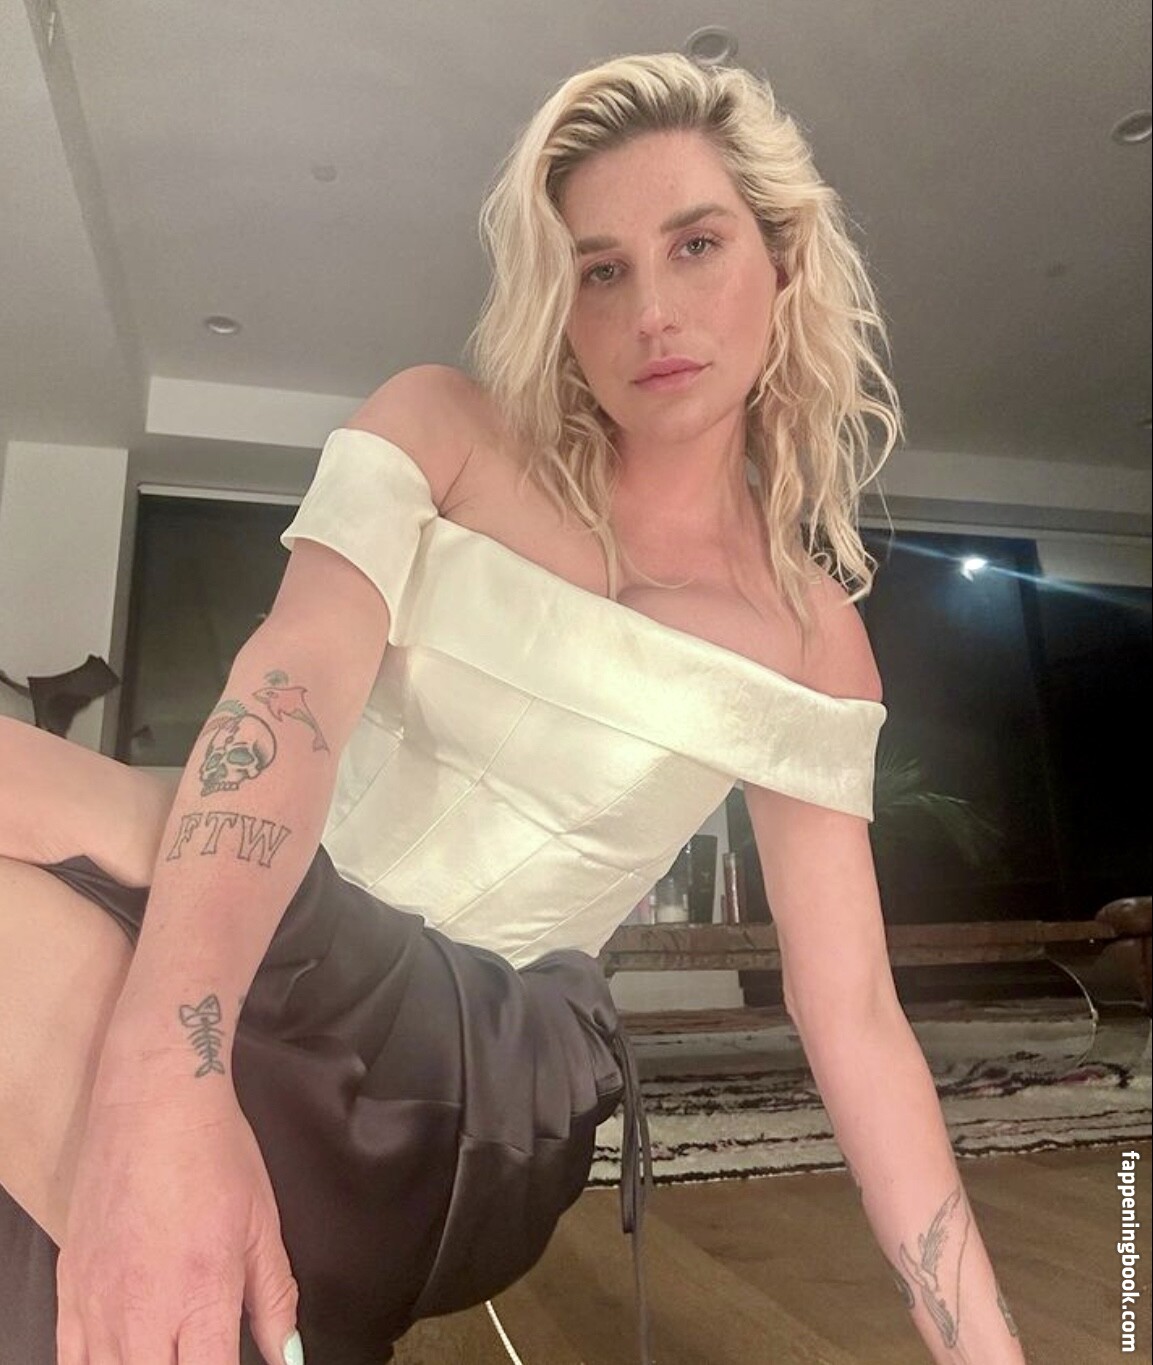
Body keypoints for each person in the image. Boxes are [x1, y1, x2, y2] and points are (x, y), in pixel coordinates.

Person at [0, 51, 1028, 1365]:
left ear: (783, 261)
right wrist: (175, 1060)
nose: (650, 310)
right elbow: (287, 690)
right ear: (559, 300)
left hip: (463, 1063)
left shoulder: (810, 638)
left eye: (696, 244)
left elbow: (857, 1020)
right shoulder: (441, 427)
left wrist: (986, 1351)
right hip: (261, 931)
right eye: (600, 269)